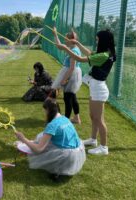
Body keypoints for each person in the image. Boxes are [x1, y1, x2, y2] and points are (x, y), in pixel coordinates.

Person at [53, 27, 116, 155]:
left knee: (99, 119)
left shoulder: (104, 55)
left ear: (103, 40)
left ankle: (104, 147)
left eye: (98, 40)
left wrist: (66, 49)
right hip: (95, 88)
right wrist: (78, 43)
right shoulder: (103, 53)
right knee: (93, 117)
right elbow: (88, 53)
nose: (97, 42)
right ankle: (93, 140)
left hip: (99, 89)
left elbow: (82, 59)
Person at [15, 98, 86, 181]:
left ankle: (58, 170)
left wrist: (23, 139)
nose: (44, 114)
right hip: (77, 152)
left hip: (67, 157)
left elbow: (39, 149)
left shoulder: (52, 125)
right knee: (42, 137)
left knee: (40, 141)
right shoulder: (65, 118)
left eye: (45, 111)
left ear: (48, 110)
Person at [52, 30, 82, 124]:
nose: (64, 41)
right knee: (72, 97)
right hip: (70, 73)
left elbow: (72, 68)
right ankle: (77, 118)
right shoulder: (72, 48)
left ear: (70, 40)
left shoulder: (74, 51)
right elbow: (59, 46)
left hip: (71, 74)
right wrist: (56, 35)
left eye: (66, 40)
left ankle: (66, 121)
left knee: (68, 98)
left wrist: (64, 80)